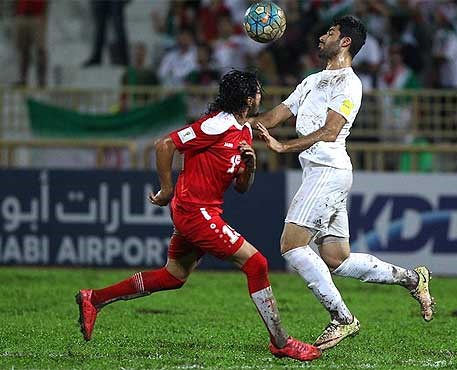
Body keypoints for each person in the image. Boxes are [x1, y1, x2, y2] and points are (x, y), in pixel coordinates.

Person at [75, 70, 321, 362]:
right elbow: (164, 145)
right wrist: (167, 188)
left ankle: (95, 299)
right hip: (194, 211)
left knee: (174, 275)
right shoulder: (215, 126)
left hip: (201, 210)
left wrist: (250, 166)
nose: (260, 97)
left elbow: (242, 188)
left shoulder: (243, 131)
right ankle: (281, 341)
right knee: (257, 264)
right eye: (257, 92)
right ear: (247, 99)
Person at [254, 16, 435, 351]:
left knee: (292, 245)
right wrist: (234, 126)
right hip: (320, 172)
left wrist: (283, 146)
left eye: (331, 33)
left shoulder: (350, 84)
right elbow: (272, 117)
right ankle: (412, 278)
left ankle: (341, 318)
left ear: (346, 42)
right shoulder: (311, 82)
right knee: (337, 259)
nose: (322, 36)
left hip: (328, 170)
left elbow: (330, 131)